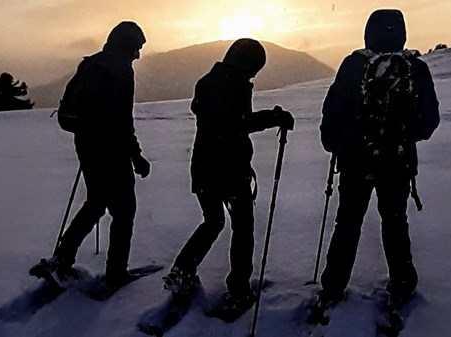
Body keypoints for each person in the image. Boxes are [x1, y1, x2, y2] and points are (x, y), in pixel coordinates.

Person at [316, 9, 440, 310]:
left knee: (347, 222)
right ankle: (402, 283)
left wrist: (334, 144)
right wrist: (404, 137)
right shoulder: (415, 68)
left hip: (356, 161)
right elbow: (429, 121)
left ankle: (332, 287)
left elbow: (332, 112)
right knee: (395, 221)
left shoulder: (352, 66)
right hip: (397, 163)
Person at [164, 38, 294, 315]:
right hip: (230, 169)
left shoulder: (208, 81)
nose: (254, 74)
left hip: (203, 167)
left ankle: (182, 270)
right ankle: (238, 289)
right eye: (255, 67)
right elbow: (237, 124)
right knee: (242, 228)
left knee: (212, 222)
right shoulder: (233, 84)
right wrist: (274, 117)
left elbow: (217, 120)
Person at [48, 21, 151, 287]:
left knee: (95, 203)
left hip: (86, 143)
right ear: (127, 45)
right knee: (124, 210)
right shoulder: (121, 71)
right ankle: (116, 273)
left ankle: (62, 258)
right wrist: (136, 156)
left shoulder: (91, 63)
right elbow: (122, 121)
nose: (138, 55)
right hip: (111, 149)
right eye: (137, 48)